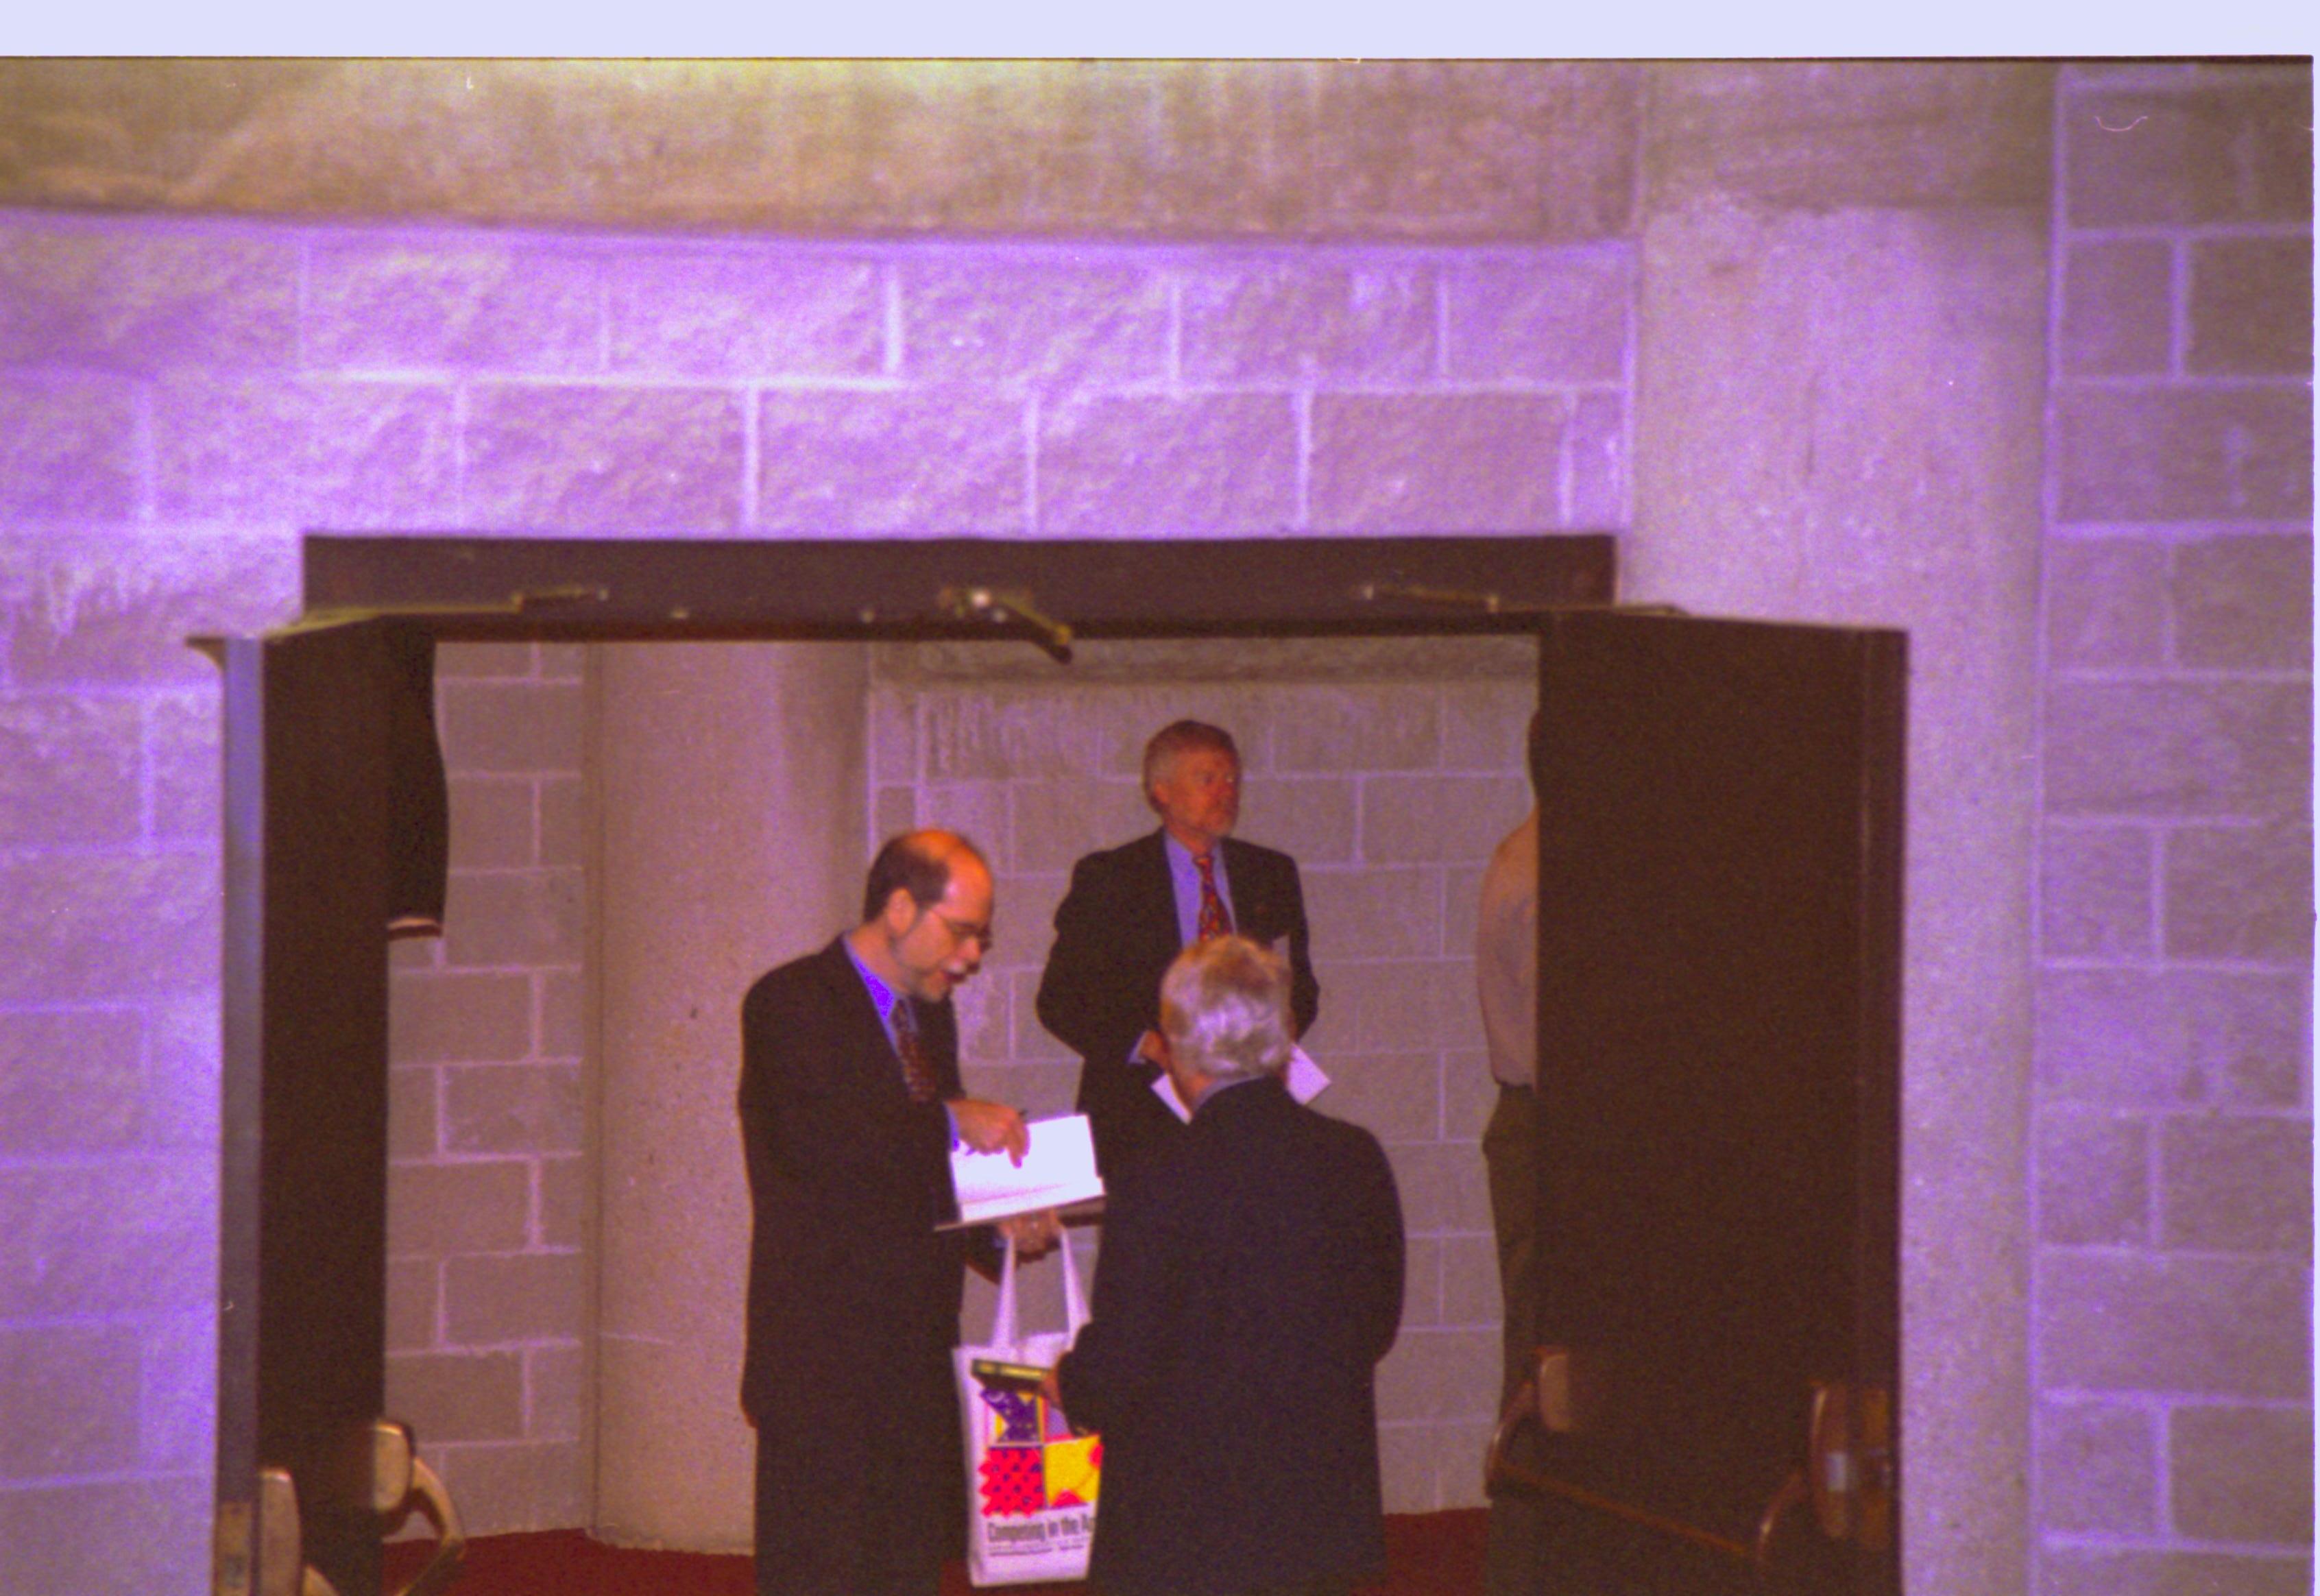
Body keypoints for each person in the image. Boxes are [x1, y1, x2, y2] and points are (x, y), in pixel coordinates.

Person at [738, 830, 1059, 1596]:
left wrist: (1000, 1221)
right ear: (900, 906)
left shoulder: (928, 1017)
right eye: (962, 930)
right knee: (820, 1571)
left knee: (905, 1570)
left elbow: (921, 1176)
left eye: (983, 934)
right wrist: (952, 1119)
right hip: (825, 1361)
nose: (974, 954)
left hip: (913, 1355)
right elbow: (829, 1146)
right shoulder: (790, 1001)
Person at [1046, 935, 1403, 1596]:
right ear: (1286, 1035)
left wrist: (1070, 1382)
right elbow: (1376, 1327)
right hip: (1318, 1516)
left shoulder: (1157, 1177)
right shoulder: (1356, 1159)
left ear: (1178, 1048)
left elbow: (1122, 1360)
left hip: (1187, 1533)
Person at [1035, 719, 1319, 1178]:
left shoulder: (1271, 874)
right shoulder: (1111, 879)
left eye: (1231, 779)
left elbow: (1300, 984)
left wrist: (1279, 1035)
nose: (1225, 792)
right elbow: (1061, 1000)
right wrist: (1150, 1045)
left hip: (1252, 1110)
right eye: (1207, 779)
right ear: (1161, 791)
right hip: (1142, 1116)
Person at [1475, 712, 1545, 1594]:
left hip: (1537, 1123)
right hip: (1553, 1132)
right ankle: (1532, 1570)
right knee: (1546, 1368)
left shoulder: (1525, 852)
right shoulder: (1549, 872)